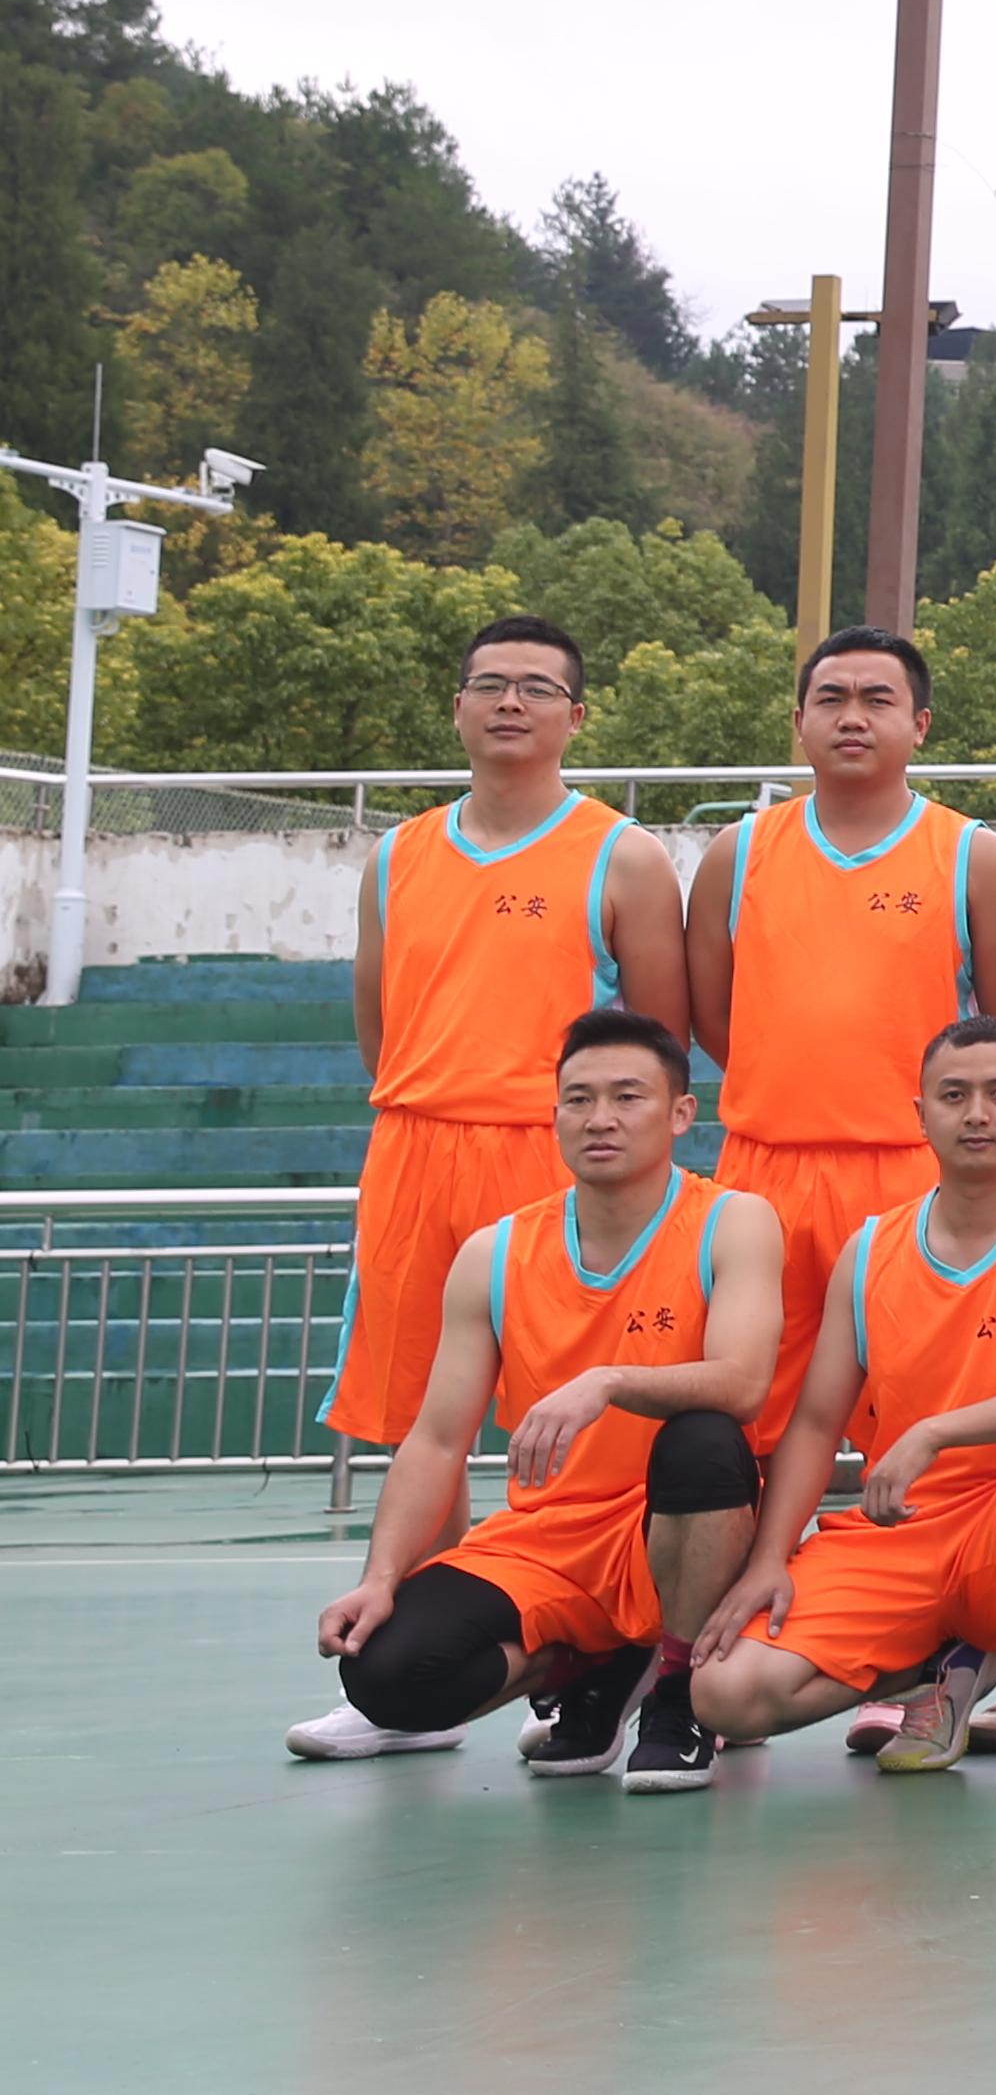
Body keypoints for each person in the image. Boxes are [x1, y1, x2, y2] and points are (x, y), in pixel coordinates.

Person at [302, 613, 689, 1758]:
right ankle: (417, 1656)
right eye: (490, 684)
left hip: (553, 1157)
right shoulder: (400, 854)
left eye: (536, 687)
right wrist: (434, 1106)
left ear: (578, 714)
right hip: (417, 1150)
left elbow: (658, 1038)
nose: (510, 702)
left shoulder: (621, 855)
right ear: (458, 706)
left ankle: (603, 1651)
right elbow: (378, 1022)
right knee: (419, 1415)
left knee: (586, 1436)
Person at [302, 1011, 780, 1796]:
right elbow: (436, 1440)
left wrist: (609, 1381)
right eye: (579, 1099)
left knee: (703, 1439)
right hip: (546, 1541)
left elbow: (743, 1382)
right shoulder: (495, 1252)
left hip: (673, 1527)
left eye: (628, 1097)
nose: (600, 1118)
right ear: (554, 1114)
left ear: (681, 1114)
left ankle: (677, 1690)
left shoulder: (733, 1221)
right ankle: (589, 1664)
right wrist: (381, 1576)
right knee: (385, 1674)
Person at [685, 1017, 996, 1791]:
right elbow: (816, 1423)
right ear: (920, 1116)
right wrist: (768, 1559)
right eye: (953, 1096)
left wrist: (935, 1431)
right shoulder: (869, 1250)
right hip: (899, 1533)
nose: (977, 1114)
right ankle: (939, 1666)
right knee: (725, 1693)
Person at [685, 628, 996, 1452]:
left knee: (915, 1417)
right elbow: (714, 1018)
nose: (853, 717)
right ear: (799, 722)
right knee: (746, 1420)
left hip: (913, 1170)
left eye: (878, 699)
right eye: (831, 698)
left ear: (920, 724)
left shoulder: (972, 857)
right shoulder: (738, 854)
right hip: (764, 1172)